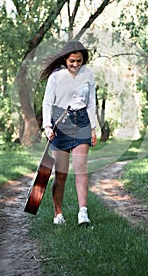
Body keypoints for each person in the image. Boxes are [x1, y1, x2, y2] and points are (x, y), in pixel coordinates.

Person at [42, 41, 97, 226]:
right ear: (65, 59)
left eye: (79, 61)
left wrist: (93, 128)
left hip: (82, 121)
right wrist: (47, 126)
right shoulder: (56, 76)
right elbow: (47, 103)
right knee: (61, 173)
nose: (75, 64)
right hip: (60, 122)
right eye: (72, 61)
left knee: (81, 168)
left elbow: (91, 103)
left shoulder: (88, 74)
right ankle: (58, 214)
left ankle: (83, 213)